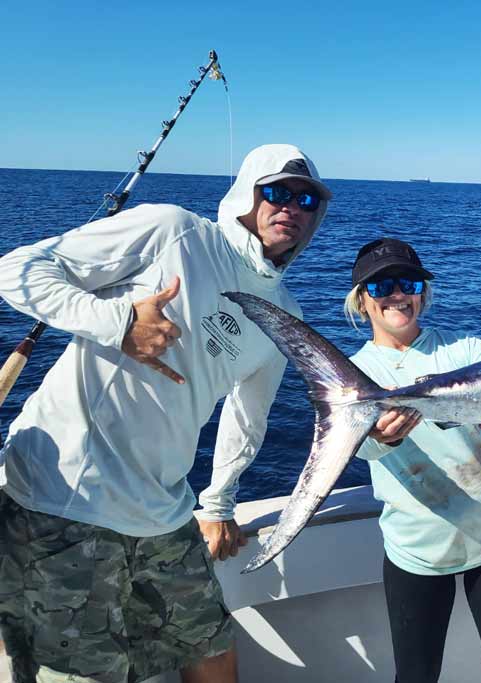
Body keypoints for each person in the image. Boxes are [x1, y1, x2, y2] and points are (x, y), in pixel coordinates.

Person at [0, 144, 332, 683]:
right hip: (61, 499)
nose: (290, 207)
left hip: (163, 509)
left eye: (306, 200)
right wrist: (114, 322)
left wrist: (219, 501)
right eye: (275, 192)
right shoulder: (174, 231)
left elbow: (247, 418)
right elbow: (15, 269)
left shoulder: (284, 314)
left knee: (213, 649)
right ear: (247, 193)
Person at [343, 237, 481, 683]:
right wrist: (379, 437)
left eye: (408, 282)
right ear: (361, 300)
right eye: (380, 286)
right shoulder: (356, 376)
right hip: (415, 550)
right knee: (415, 677)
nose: (397, 294)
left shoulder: (466, 351)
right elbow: (359, 447)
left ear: (422, 292)